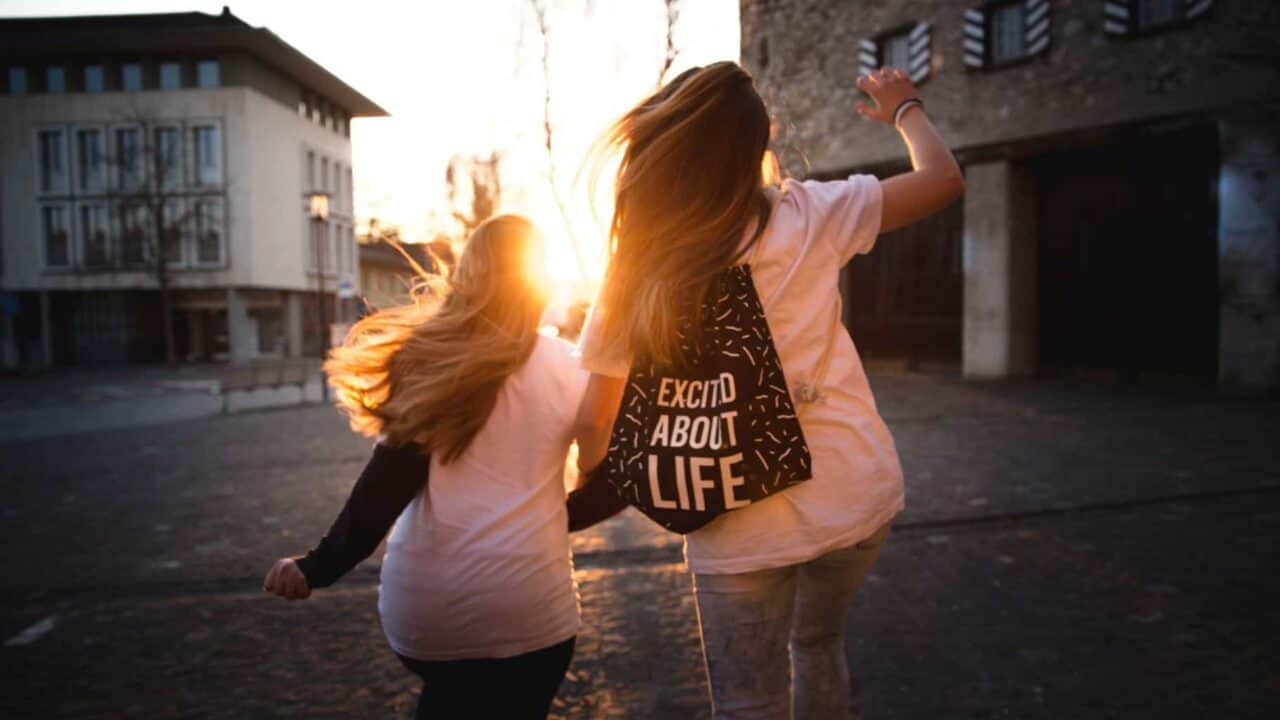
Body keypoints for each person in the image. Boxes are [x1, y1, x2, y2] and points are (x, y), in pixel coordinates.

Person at [568, 63, 964, 718]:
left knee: (748, 702)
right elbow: (942, 180)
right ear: (754, 148)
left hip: (734, 523)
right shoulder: (813, 213)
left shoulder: (637, 268)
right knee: (817, 641)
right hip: (855, 495)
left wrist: (597, 478)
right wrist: (905, 109)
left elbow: (593, 425)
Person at [263, 215, 588, 720]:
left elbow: (386, 487)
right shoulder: (572, 367)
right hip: (531, 609)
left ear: (468, 274)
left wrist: (315, 568)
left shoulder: (432, 359)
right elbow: (619, 477)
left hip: (432, 614)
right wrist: (550, 518)